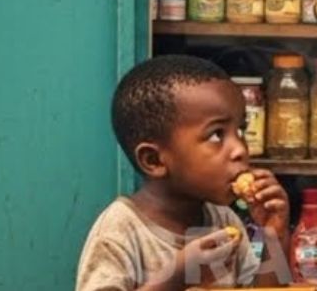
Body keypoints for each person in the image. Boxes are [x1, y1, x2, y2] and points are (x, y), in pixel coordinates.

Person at [76, 55, 290, 291]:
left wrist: (273, 237)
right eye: (216, 135)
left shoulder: (223, 220)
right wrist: (174, 279)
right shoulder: (121, 230)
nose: (240, 149)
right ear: (154, 160)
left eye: (240, 131)